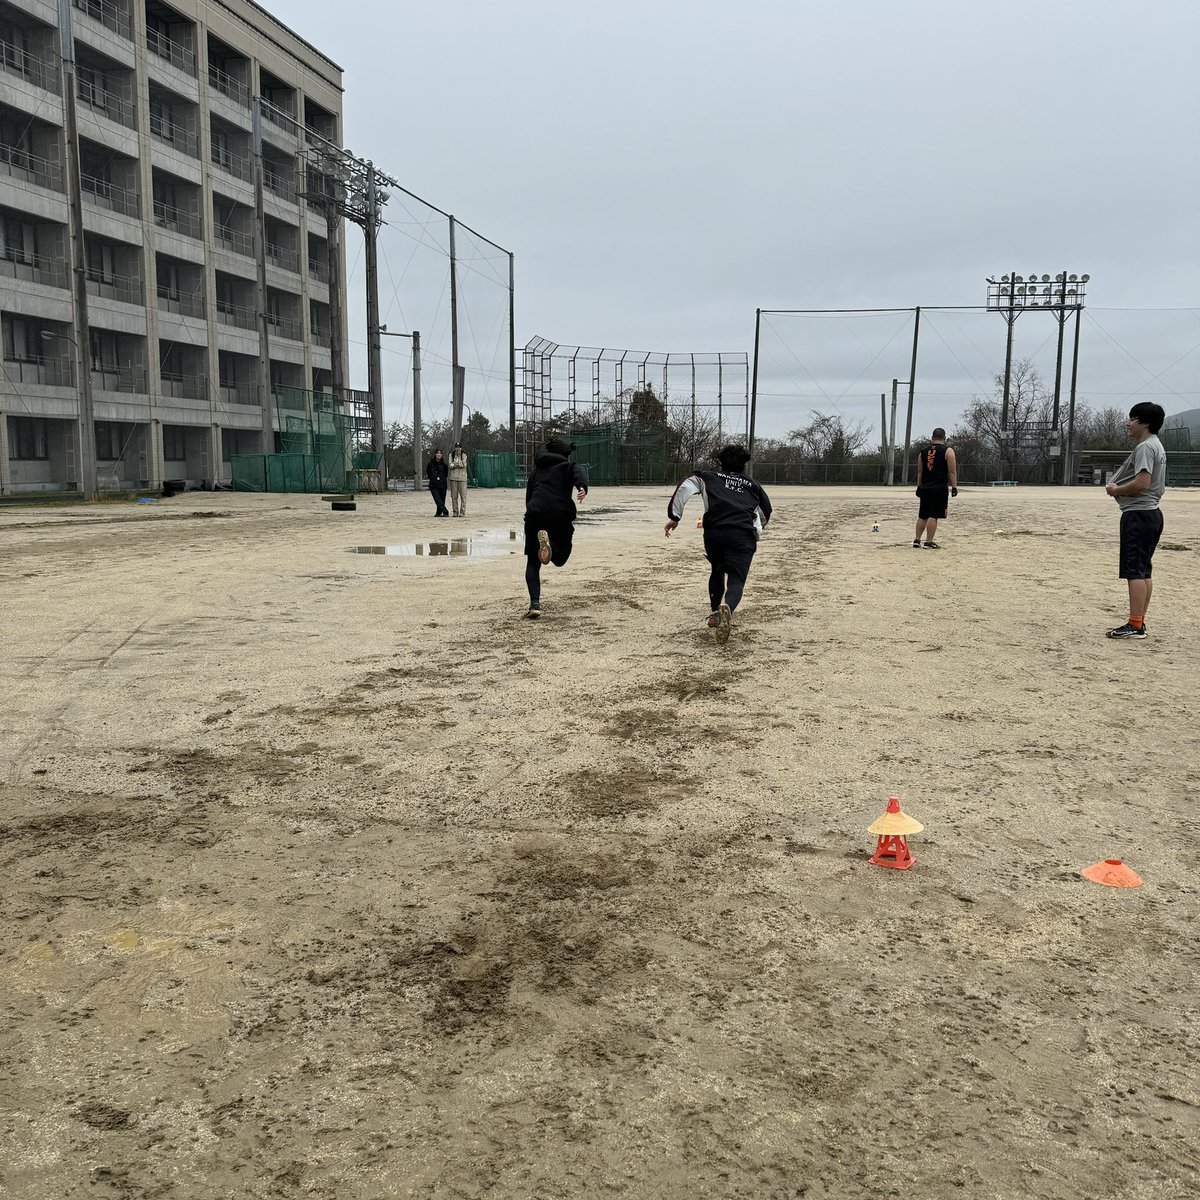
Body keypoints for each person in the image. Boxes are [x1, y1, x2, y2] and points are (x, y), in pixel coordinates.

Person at [664, 444, 772, 645]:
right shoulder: (753, 485)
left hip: (715, 532)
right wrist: (757, 528)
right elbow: (766, 511)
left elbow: (685, 486)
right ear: (744, 465)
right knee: (736, 579)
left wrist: (675, 516)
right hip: (742, 534)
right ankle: (728, 608)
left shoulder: (707, 477)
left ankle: (715, 612)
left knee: (717, 569)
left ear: (720, 462)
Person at [1104, 402, 1168, 639]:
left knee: (1134, 572)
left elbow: (1142, 482)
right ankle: (1139, 620)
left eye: (1132, 419)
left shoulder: (1145, 447)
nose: (1128, 424)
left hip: (1139, 514)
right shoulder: (1156, 446)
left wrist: (1116, 490)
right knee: (1143, 570)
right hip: (1151, 514)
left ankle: (1135, 625)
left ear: (1145, 423)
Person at [523, 438, 588, 619]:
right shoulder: (567, 466)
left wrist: (532, 516)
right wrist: (581, 487)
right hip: (558, 514)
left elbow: (529, 497)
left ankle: (535, 604)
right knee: (561, 557)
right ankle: (549, 543)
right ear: (565, 454)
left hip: (534, 515)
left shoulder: (536, 471)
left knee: (533, 563)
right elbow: (579, 472)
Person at [913, 428, 958, 548]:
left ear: (932, 438)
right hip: (939, 488)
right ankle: (929, 541)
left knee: (923, 515)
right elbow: (952, 471)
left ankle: (917, 540)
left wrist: (918, 486)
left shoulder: (922, 452)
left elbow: (920, 472)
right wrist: (954, 487)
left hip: (925, 488)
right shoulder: (948, 451)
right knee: (934, 515)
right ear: (944, 438)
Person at [425, 449, 449, 517]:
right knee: (437, 499)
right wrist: (432, 477)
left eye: (440, 453)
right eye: (437, 453)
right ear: (435, 454)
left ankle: (439, 512)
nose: (439, 455)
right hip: (434, 485)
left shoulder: (444, 464)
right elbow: (428, 471)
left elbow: (446, 473)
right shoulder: (431, 463)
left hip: (442, 484)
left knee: (442, 499)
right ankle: (445, 511)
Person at [448, 443, 469, 518]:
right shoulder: (451, 455)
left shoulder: (464, 455)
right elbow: (450, 465)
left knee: (463, 497)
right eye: (456, 447)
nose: (458, 449)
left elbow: (463, 464)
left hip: (463, 478)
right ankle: (455, 512)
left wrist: (455, 464)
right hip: (453, 478)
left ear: (461, 448)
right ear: (454, 448)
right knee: (454, 497)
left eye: (459, 447)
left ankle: (462, 513)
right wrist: (458, 464)